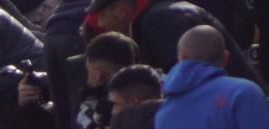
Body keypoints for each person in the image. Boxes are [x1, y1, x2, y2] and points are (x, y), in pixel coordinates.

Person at [85, 0, 257, 79]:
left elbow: (185, 76)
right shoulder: (154, 19)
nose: (99, 23)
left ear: (121, 11)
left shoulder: (162, 20)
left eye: (102, 15)